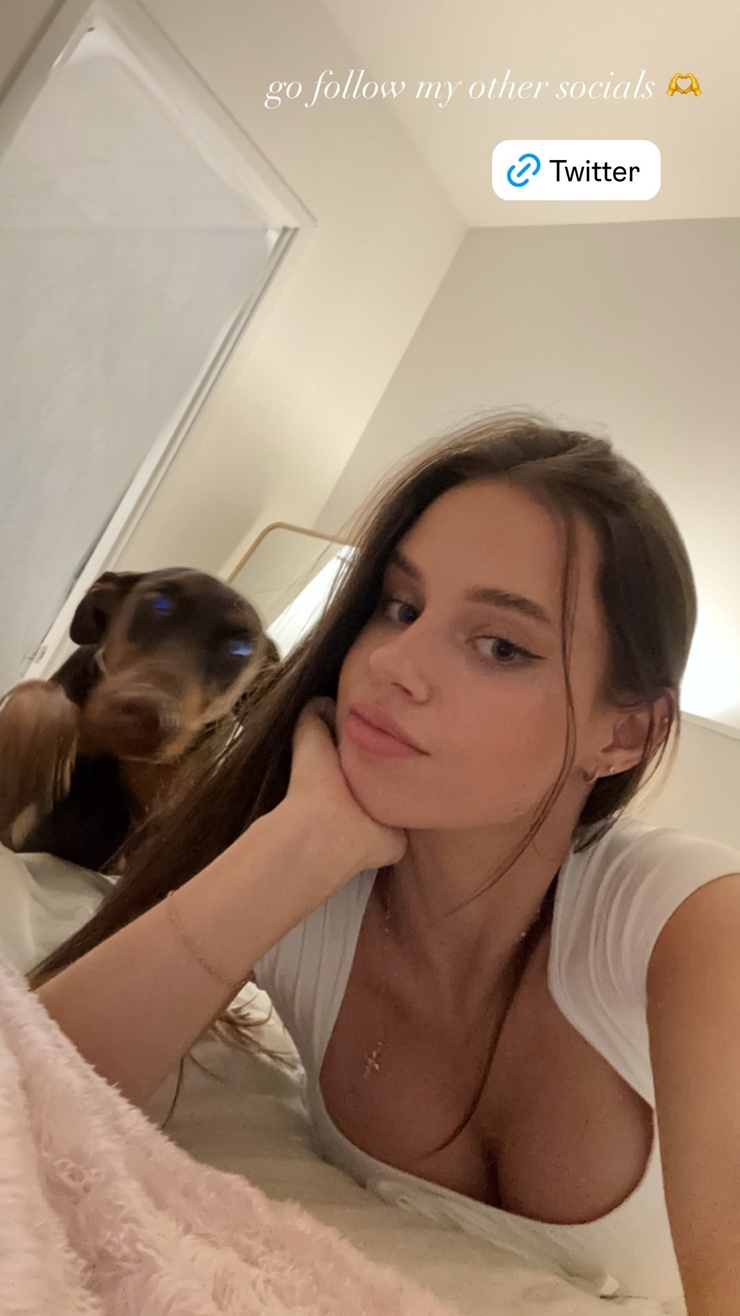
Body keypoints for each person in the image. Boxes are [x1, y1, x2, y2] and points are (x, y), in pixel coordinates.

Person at [33, 411, 740, 1314]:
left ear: (626, 732)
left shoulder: (687, 927)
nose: (394, 662)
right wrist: (305, 841)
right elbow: (29, 1097)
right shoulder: (305, 883)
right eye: (400, 607)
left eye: (500, 646)